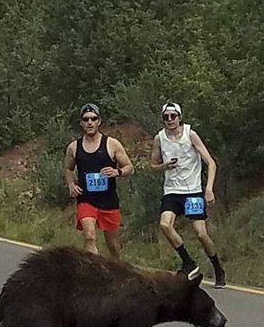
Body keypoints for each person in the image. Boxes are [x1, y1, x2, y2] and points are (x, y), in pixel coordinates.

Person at [150, 102, 226, 287]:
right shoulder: (159, 138)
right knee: (165, 224)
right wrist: (164, 166)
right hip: (172, 191)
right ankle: (188, 262)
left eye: (173, 116)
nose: (170, 120)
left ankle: (217, 268)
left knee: (200, 233)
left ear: (179, 117)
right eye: (166, 117)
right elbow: (152, 165)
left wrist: (208, 189)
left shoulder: (190, 134)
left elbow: (211, 163)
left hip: (192, 191)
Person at [64, 103, 134, 260]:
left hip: (108, 200)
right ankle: (93, 275)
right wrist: (71, 184)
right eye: (86, 119)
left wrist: (117, 172)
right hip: (86, 199)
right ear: (81, 123)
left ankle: (117, 272)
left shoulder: (111, 144)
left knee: (113, 244)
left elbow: (130, 167)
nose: (89, 122)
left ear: (99, 121)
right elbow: (68, 169)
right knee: (89, 236)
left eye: (93, 119)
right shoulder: (74, 147)